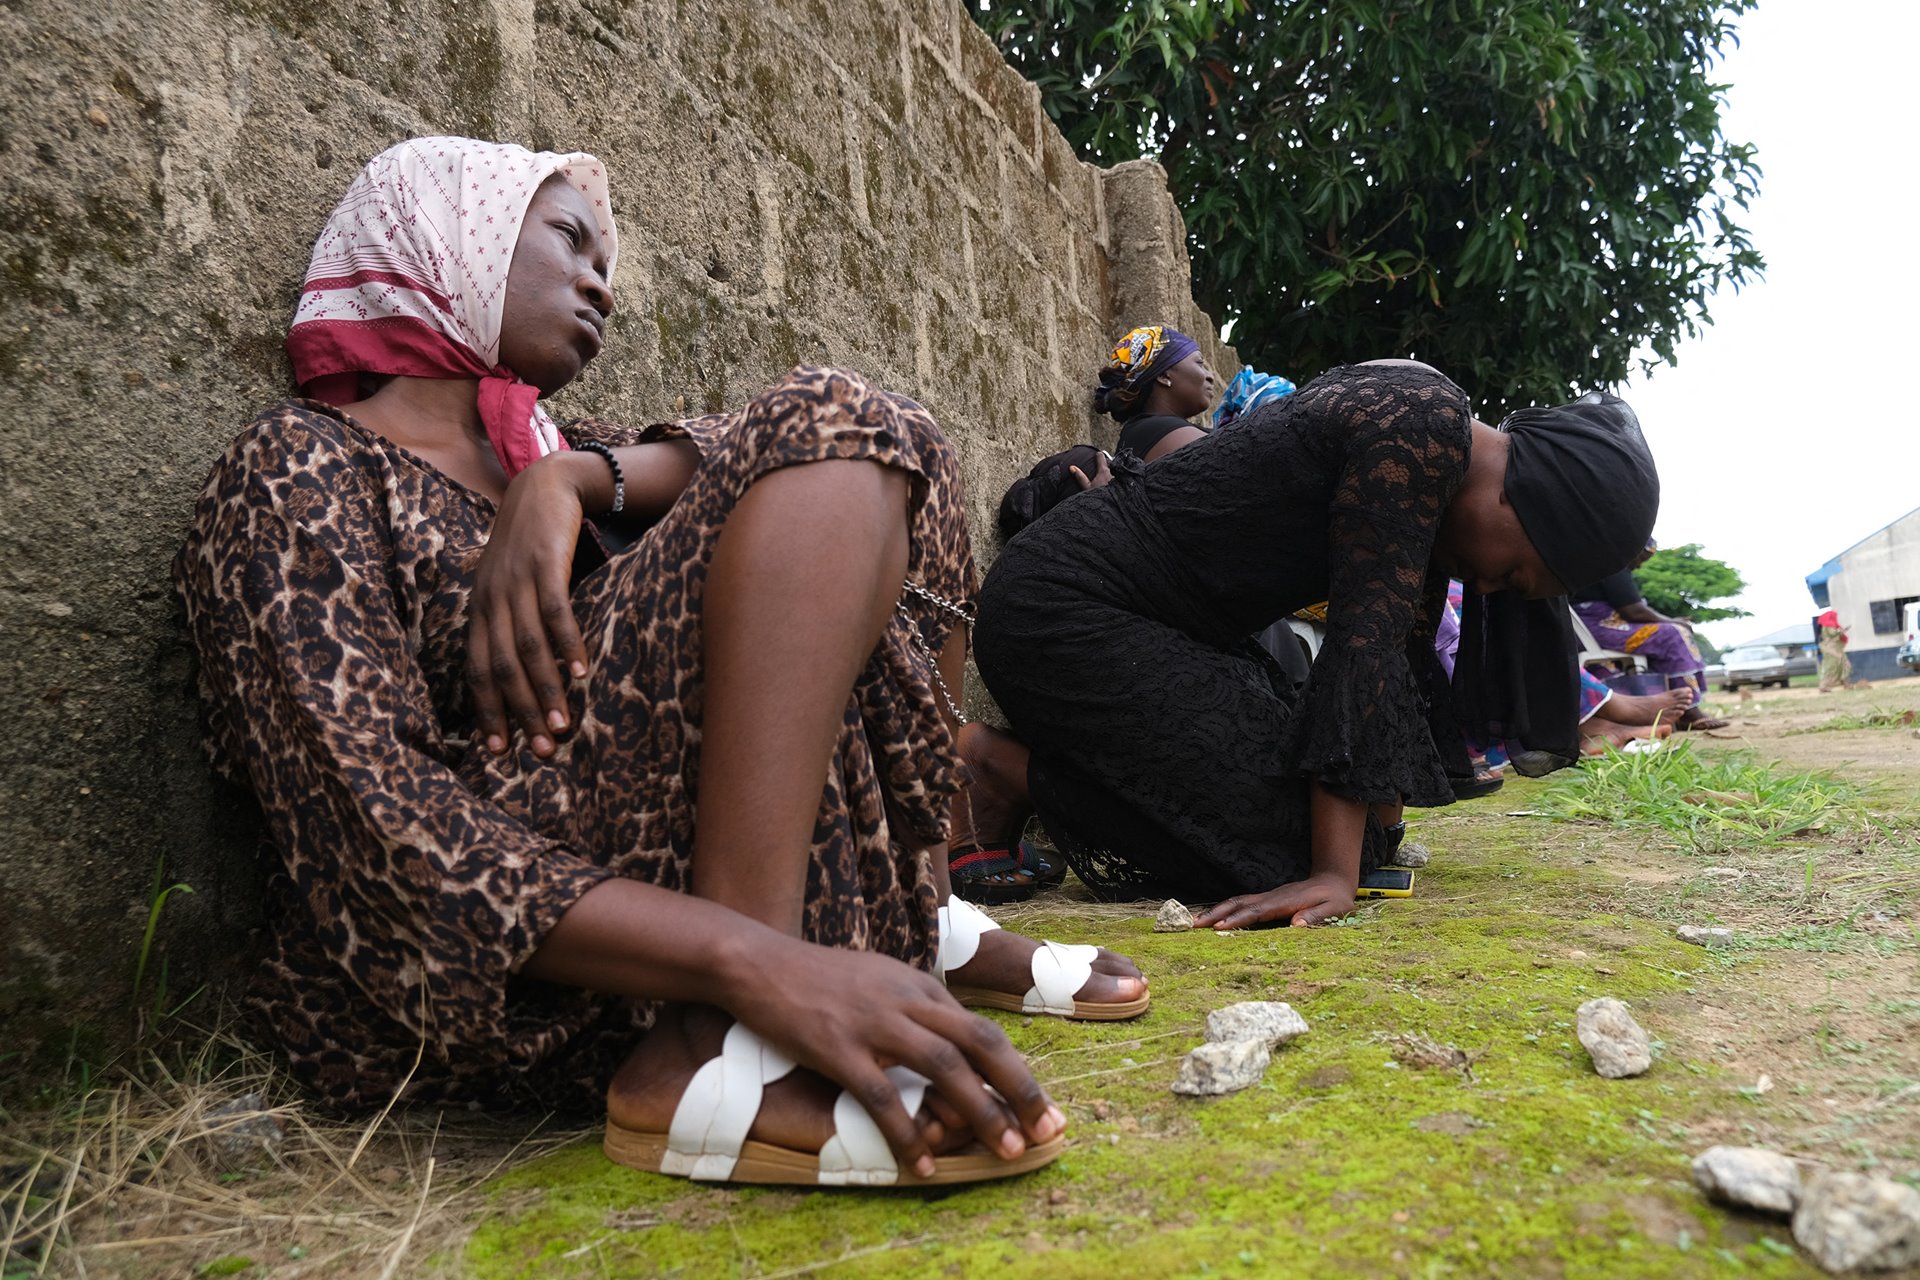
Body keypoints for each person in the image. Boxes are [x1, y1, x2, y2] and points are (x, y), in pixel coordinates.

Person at [172, 137, 1150, 1189]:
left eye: (610, 259)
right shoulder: (298, 464)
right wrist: (752, 962)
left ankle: (909, 910)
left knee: (894, 437)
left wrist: (566, 484)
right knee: (843, 420)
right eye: (568, 238)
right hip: (494, 967)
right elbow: (374, 820)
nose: (600, 277)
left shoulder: (557, 446)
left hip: (691, 898)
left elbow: (768, 442)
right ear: (450, 233)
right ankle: (714, 1034)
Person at [969, 362, 1661, 930]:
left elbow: (1398, 666)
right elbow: (1361, 654)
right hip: (1065, 605)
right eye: (1512, 571)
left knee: (1350, 843)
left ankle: (1040, 773)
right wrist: (1332, 877)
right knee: (1289, 855)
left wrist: (1373, 839)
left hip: (1168, 632)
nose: (1486, 582)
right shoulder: (1415, 428)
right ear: (1520, 499)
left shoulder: (1440, 453)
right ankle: (995, 767)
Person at [1569, 552, 1728, 731]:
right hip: (1602, 629)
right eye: (1640, 558)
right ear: (1633, 548)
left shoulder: (1591, 564)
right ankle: (1688, 711)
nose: (1639, 566)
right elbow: (1634, 611)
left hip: (1585, 634)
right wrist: (1673, 621)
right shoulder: (1614, 563)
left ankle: (1661, 705)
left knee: (1665, 634)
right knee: (1674, 634)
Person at [1098, 326, 1216, 460]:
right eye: (1200, 363)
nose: (1210, 376)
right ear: (1164, 376)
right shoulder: (1156, 431)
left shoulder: (1147, 431)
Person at [1817, 609, 1854, 692]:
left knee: (1844, 665)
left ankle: (1846, 684)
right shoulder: (1829, 625)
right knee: (1832, 668)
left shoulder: (1829, 625)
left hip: (1836, 650)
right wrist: (1841, 631)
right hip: (1832, 651)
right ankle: (1824, 686)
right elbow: (1833, 633)